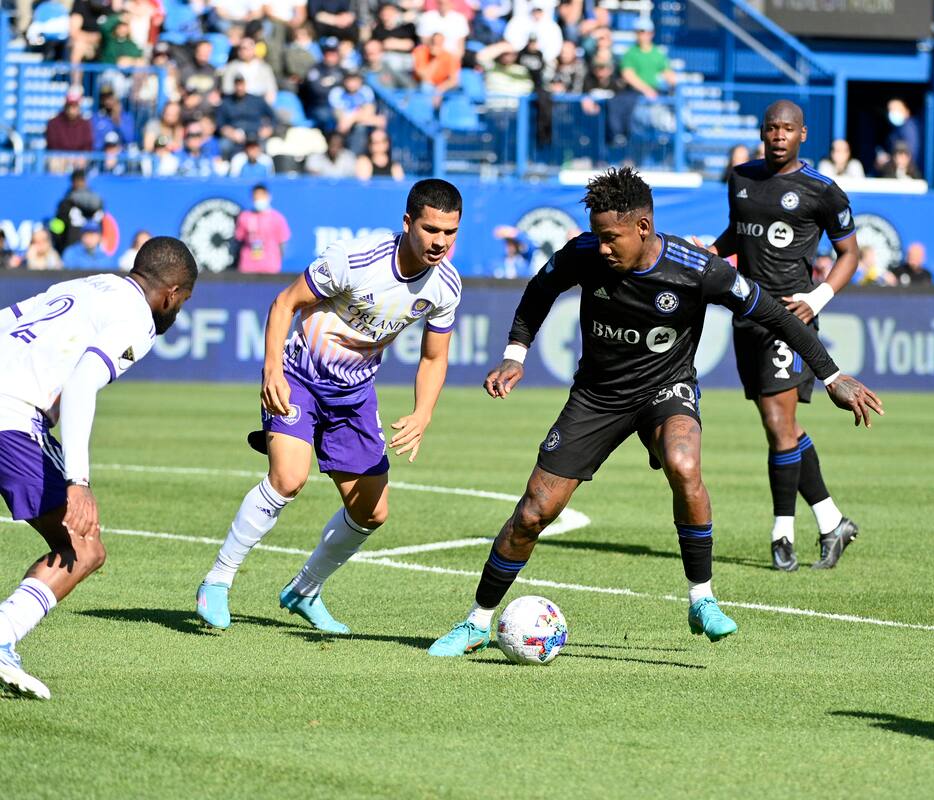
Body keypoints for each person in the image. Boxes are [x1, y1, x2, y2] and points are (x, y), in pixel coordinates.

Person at [426, 167, 882, 658]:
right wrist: (515, 354)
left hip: (667, 389)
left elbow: (771, 313)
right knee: (534, 512)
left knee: (685, 466)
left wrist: (833, 376)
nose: (601, 247)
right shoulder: (583, 253)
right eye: (598, 236)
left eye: (610, 237)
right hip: (597, 396)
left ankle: (702, 598)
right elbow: (539, 292)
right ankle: (476, 622)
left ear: (643, 227)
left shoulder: (698, 269)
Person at [195, 179, 463, 632]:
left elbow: (434, 357)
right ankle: (217, 581)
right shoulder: (354, 260)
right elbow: (284, 304)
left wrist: (423, 414)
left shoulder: (445, 287)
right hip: (299, 377)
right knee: (288, 478)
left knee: (371, 512)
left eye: (450, 233)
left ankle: (304, 590)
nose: (440, 242)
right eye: (431, 229)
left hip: (354, 396)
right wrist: (271, 370)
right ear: (407, 223)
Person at [0, 237, 197, 699]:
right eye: (183, 301)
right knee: (84, 547)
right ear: (170, 294)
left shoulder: (89, 284)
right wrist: (79, 482)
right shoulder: (138, 320)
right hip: (10, 416)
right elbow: (81, 383)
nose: (178, 310)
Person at [697, 101, 865, 572]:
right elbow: (739, 233)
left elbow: (850, 252)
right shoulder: (741, 179)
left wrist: (819, 297)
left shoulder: (822, 191)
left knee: (777, 426)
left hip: (789, 320)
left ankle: (782, 533)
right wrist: (710, 251)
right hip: (744, 315)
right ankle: (832, 523)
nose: (778, 135)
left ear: (802, 135)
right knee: (786, 428)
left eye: (787, 129)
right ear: (761, 131)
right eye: (771, 127)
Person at [235, 185, 291, 273]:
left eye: (261, 196)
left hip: (270, 265)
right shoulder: (245, 216)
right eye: (256, 197)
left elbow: (282, 243)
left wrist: (278, 259)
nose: (259, 199)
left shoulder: (277, 218)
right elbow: (239, 239)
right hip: (248, 265)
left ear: (268, 196)